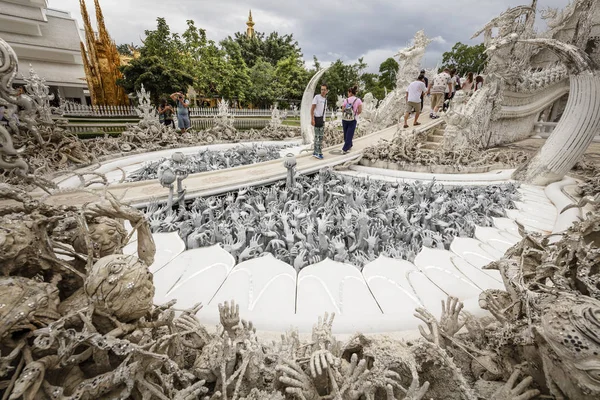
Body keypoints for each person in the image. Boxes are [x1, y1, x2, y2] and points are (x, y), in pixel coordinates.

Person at [340, 86, 362, 154]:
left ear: (350, 92)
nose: (347, 94)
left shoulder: (346, 100)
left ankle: (345, 148)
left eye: (348, 93)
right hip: (353, 119)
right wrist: (355, 114)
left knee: (346, 134)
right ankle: (348, 146)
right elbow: (360, 110)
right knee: (350, 134)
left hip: (345, 119)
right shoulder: (358, 100)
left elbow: (342, 110)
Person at [310, 83, 328, 159]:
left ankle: (316, 152)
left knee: (320, 137)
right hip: (316, 119)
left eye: (324, 90)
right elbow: (312, 109)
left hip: (322, 120)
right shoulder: (317, 97)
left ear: (327, 91)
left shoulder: (325, 99)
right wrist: (312, 119)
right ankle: (318, 153)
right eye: (322, 89)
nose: (323, 91)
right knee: (318, 136)